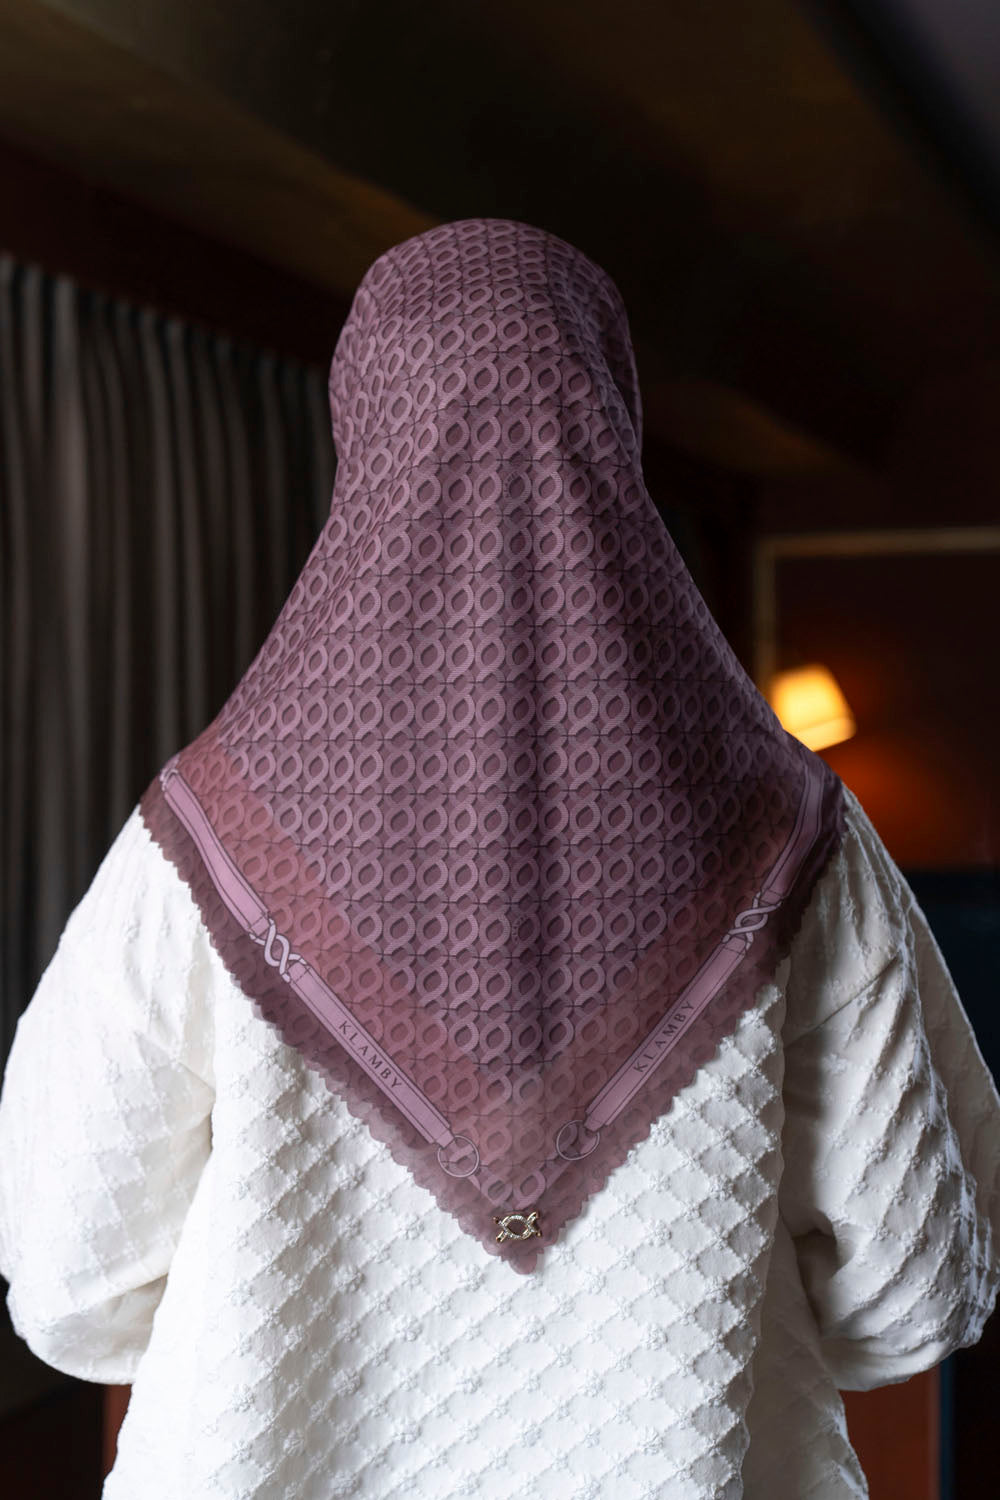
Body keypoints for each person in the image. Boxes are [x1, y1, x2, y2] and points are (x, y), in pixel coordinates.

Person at [0, 217, 997, 1500]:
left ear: (362, 429)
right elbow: (920, 1288)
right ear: (615, 427)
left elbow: (69, 1284)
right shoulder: (802, 836)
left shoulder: (194, 844)